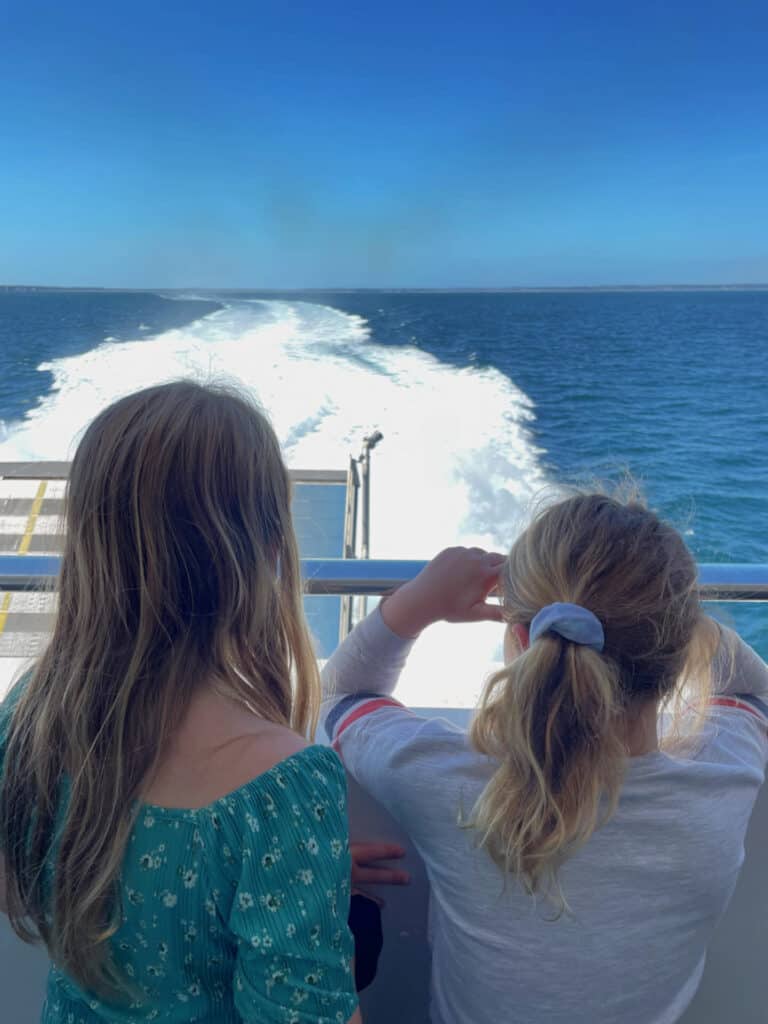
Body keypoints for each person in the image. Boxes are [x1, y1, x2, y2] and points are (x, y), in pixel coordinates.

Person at [0, 380, 394, 1024]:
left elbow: (16, 886)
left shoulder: (33, 711)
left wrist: (285, 878)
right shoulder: (282, 786)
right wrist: (289, 877)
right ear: (269, 548)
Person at [321, 492, 768, 1024]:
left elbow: (342, 695)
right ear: (677, 655)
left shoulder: (446, 781)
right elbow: (750, 693)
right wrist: (669, 615)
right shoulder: (726, 783)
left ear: (521, 638)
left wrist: (414, 604)